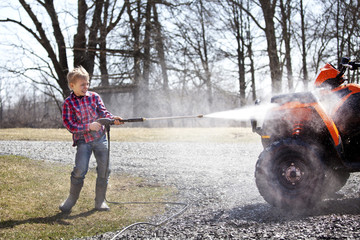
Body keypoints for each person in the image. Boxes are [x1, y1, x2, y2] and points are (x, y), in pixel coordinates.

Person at [59, 66, 123, 212]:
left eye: (87, 84)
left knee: (105, 169)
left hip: (100, 139)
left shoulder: (94, 97)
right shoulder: (68, 103)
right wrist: (88, 126)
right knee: (80, 170)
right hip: (83, 142)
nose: (86, 87)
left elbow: (104, 113)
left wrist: (114, 119)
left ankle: (100, 202)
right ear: (72, 85)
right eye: (82, 85)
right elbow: (70, 125)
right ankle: (71, 200)